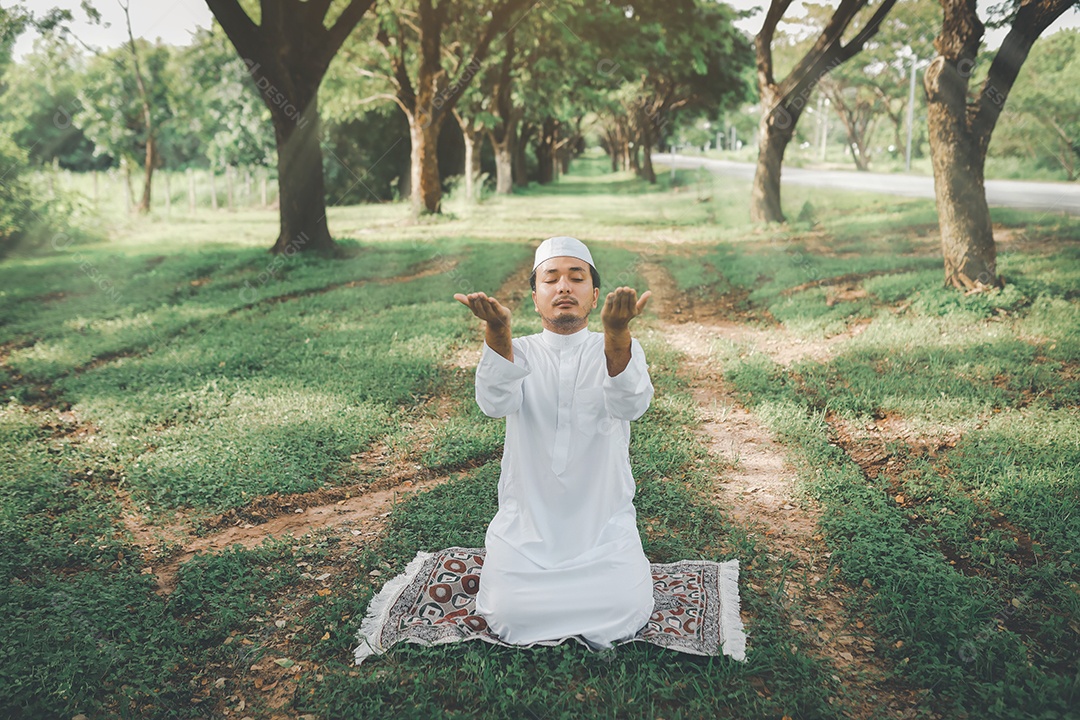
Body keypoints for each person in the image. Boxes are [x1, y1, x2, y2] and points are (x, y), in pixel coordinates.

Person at [452, 236, 655, 649]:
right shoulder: (517, 351)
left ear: (594, 296)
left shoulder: (617, 349)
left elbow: (630, 404)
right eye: (552, 278)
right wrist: (497, 330)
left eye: (576, 278)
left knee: (623, 610)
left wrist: (617, 334)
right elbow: (494, 402)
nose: (564, 287)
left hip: (603, 530)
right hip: (526, 532)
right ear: (535, 296)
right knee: (507, 612)